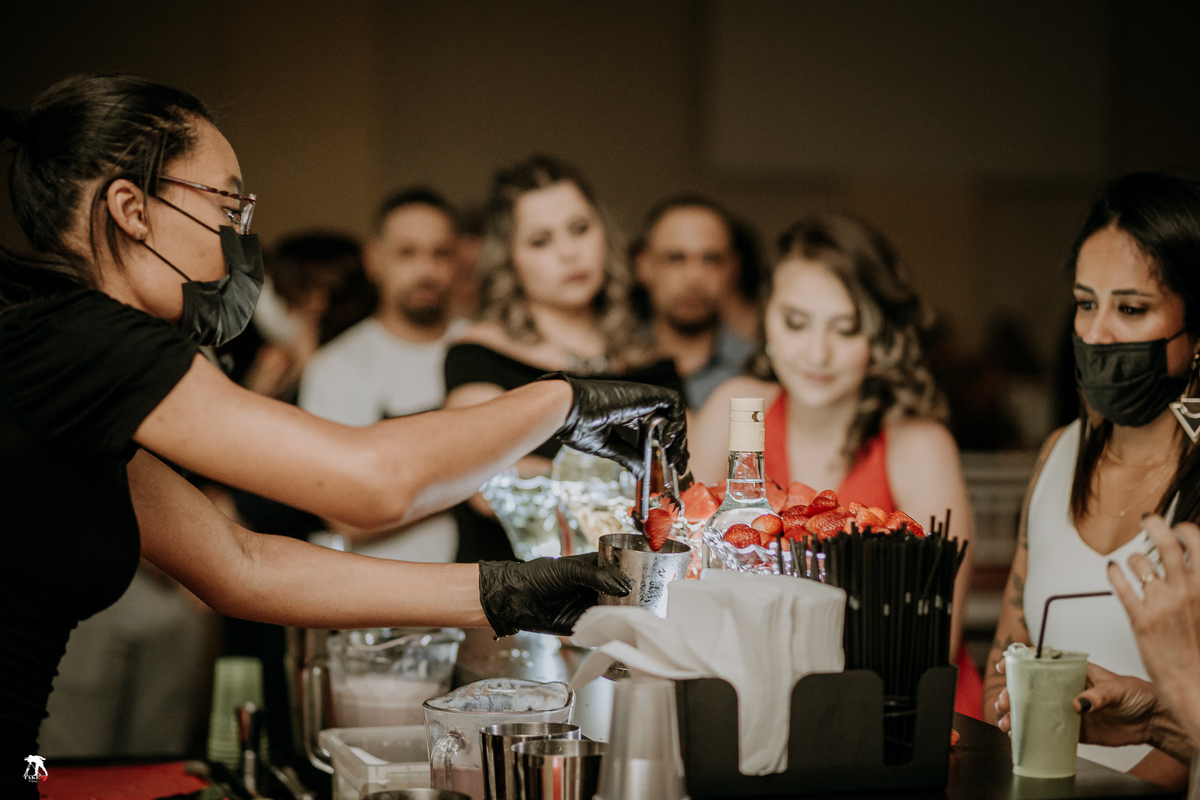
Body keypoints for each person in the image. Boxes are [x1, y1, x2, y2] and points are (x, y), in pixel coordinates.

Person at [0, 76, 686, 799]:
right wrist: (568, 398)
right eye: (229, 203)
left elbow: (241, 565)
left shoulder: (64, 360)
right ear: (131, 209)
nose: (240, 235)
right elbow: (370, 483)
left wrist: (511, 593)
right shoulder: (79, 338)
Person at [689, 211, 979, 717]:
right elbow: (677, 570)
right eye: (796, 323)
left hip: (897, 713)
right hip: (747, 701)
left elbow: (934, 635)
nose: (817, 353)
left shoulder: (917, 444)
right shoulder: (738, 410)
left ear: (879, 335)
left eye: (845, 329)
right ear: (766, 317)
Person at [984, 171, 1200, 788]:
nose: (1096, 333)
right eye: (1085, 303)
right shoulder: (1059, 454)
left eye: (1131, 309)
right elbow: (1006, 656)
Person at [443, 154, 683, 562]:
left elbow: (683, 487)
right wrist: (629, 490)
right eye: (541, 240)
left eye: (580, 229)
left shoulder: (649, 358)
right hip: (515, 597)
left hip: (632, 593)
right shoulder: (479, 351)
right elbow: (484, 482)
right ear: (510, 258)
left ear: (603, 232)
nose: (569, 252)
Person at [299, 188, 466, 563]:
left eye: (440, 253)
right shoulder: (336, 368)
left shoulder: (487, 350)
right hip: (389, 602)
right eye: (408, 253)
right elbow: (346, 513)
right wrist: (475, 482)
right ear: (374, 260)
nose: (426, 271)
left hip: (496, 602)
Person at [631, 194, 757, 410]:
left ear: (733, 269)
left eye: (711, 259)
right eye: (676, 258)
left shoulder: (758, 372)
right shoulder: (612, 363)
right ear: (644, 266)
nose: (694, 277)